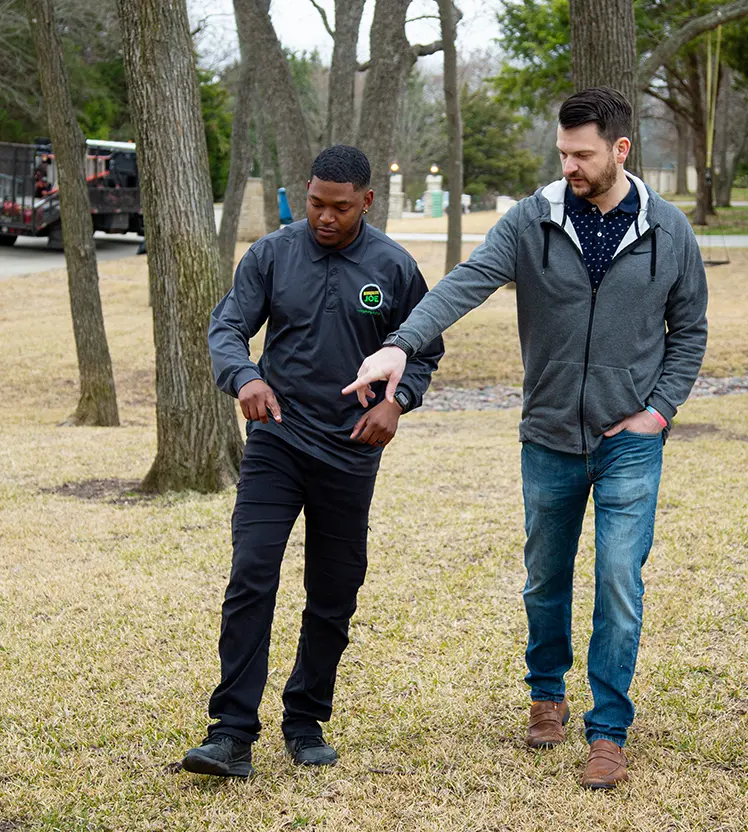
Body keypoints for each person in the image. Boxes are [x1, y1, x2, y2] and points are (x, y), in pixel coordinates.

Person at [343, 88, 708, 789]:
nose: (569, 165)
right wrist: (399, 345)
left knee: (620, 584)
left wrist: (658, 412)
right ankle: (547, 693)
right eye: (563, 152)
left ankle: (608, 732)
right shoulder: (530, 220)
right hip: (547, 436)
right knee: (546, 578)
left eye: (583, 154)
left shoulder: (668, 230)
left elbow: (688, 331)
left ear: (620, 150)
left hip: (630, 438)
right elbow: (466, 284)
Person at [181, 145, 444, 778]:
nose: (325, 217)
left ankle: (304, 719)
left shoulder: (394, 265)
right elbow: (227, 328)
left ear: (367, 202)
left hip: (351, 452)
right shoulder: (272, 254)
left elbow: (425, 351)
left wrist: (397, 403)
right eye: (316, 203)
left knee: (333, 592)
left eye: (341, 208)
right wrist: (244, 377)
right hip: (277, 439)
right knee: (252, 575)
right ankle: (231, 732)